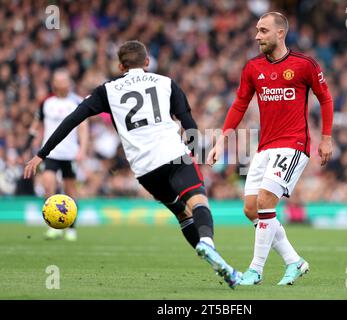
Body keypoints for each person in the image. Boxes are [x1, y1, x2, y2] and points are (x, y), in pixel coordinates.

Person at [24, 40, 242, 289]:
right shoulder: (166, 83)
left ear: (120, 66)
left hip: (145, 170)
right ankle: (208, 244)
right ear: (147, 62)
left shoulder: (107, 90)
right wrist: (196, 155)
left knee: (182, 213)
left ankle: (218, 263)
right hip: (174, 155)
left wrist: (42, 153)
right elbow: (188, 124)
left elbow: (72, 119)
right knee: (198, 201)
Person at [207, 12, 334, 286]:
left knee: (265, 203)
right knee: (251, 209)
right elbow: (239, 104)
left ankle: (255, 270)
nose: (257, 36)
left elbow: (325, 98)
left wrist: (326, 137)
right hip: (265, 147)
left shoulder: (304, 65)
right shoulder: (253, 68)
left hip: (294, 144)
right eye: (256, 30)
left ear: (280, 33)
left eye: (263, 30)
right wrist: (221, 139)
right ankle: (294, 262)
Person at [23, 69, 89, 241]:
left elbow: (83, 127)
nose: (62, 84)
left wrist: (82, 149)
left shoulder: (77, 101)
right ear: (54, 83)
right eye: (59, 80)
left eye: (65, 80)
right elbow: (37, 125)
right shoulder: (46, 102)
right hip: (51, 154)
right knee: (48, 187)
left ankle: (72, 228)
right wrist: (30, 145)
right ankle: (54, 227)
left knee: (70, 191)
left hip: (70, 154)